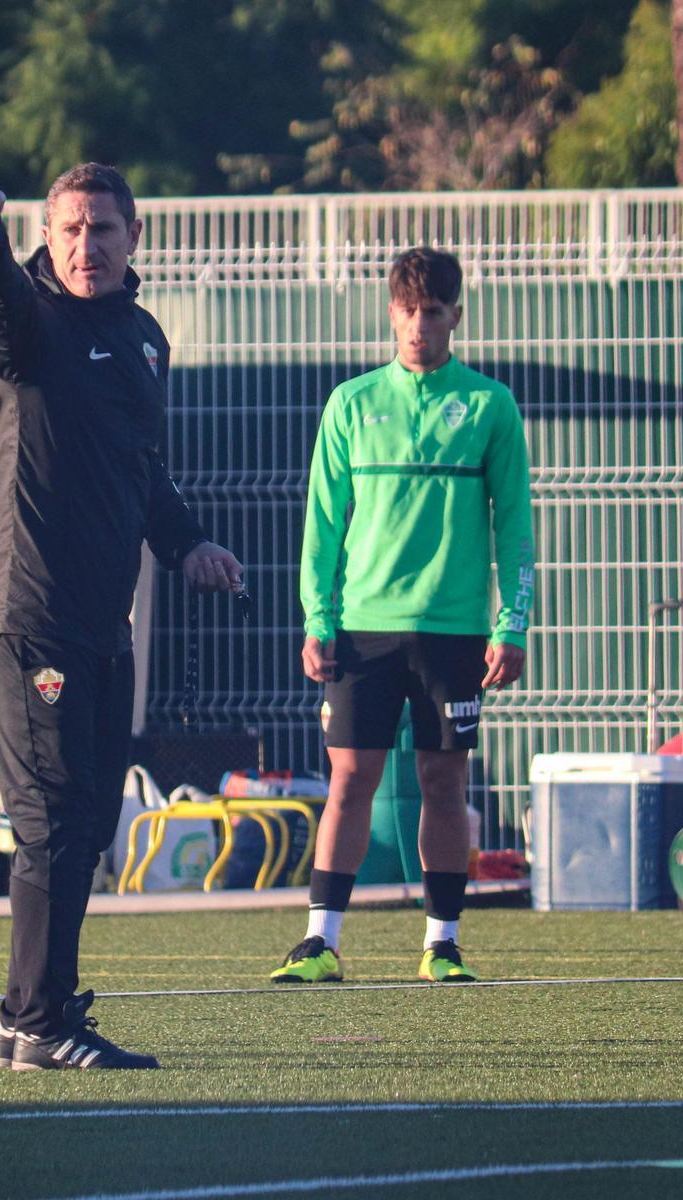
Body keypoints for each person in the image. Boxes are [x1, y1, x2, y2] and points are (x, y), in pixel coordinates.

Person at [0, 157, 242, 1069]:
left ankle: (30, 1017)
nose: (87, 244)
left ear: (134, 238)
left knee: (88, 822)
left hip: (100, 626)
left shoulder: (145, 338)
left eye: (103, 228)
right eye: (70, 229)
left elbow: (141, 468)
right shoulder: (31, 320)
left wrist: (188, 543)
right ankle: (40, 1026)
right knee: (48, 820)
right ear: (48, 236)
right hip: (26, 614)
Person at [273, 247, 534, 986]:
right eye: (409, 311)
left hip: (454, 631)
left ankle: (442, 944)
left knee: (443, 780)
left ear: (457, 316)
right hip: (362, 626)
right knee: (350, 778)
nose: (420, 325)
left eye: (435, 312)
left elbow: (516, 525)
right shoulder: (352, 403)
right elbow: (322, 523)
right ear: (391, 312)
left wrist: (511, 623)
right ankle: (319, 942)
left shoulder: (489, 405)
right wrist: (316, 619)